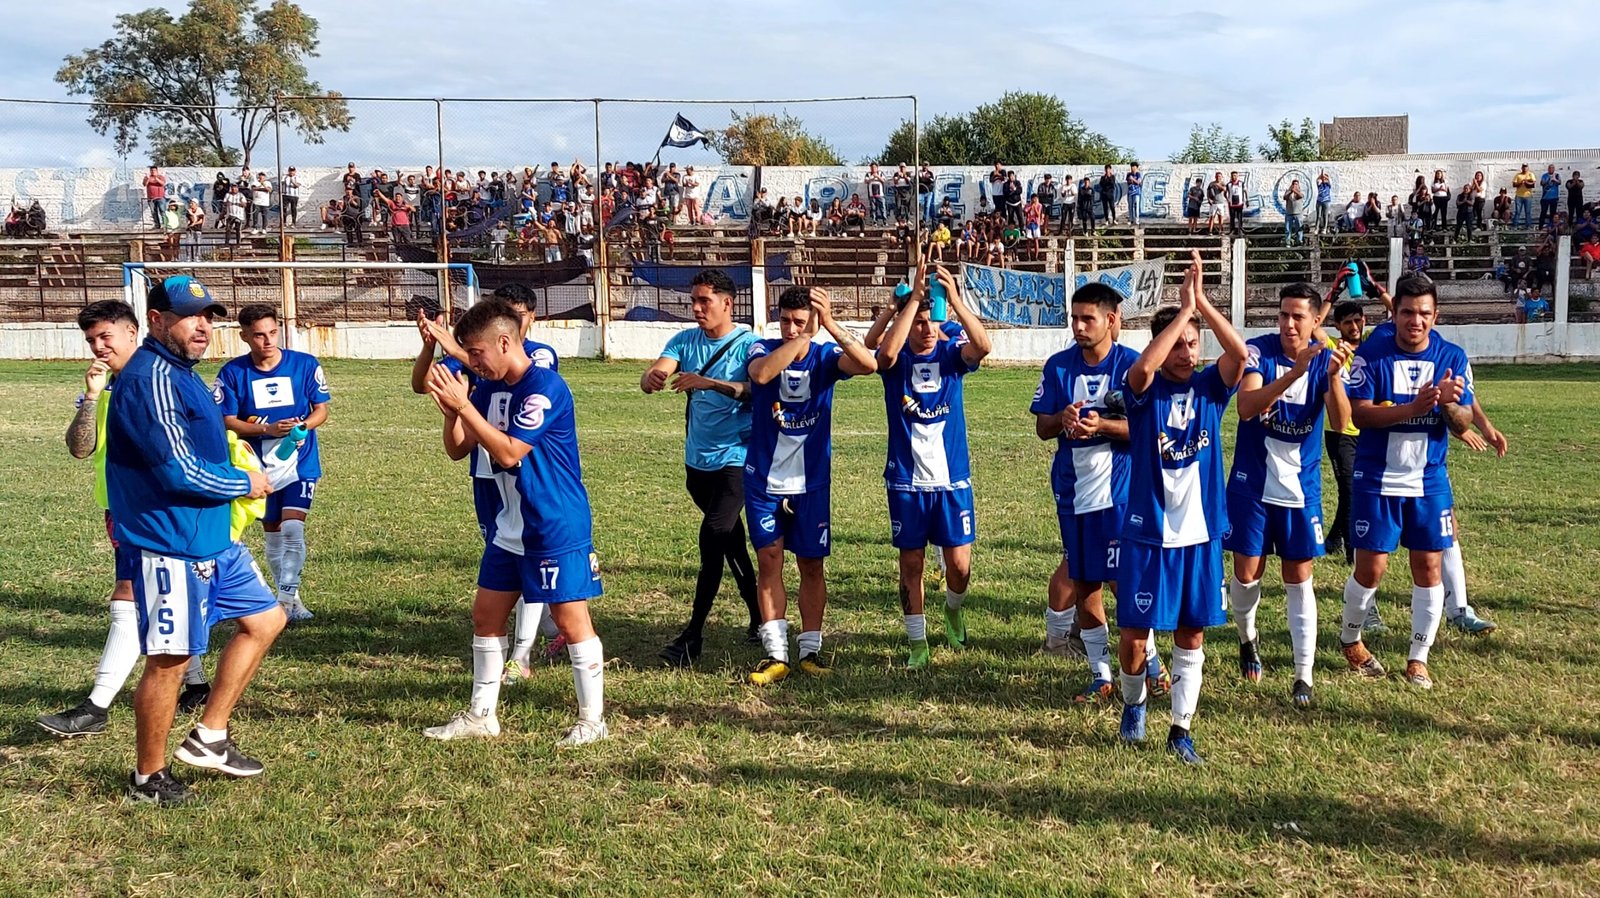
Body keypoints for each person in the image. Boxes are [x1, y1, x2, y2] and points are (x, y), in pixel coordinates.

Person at [107, 275, 281, 805]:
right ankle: (148, 777)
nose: (202, 326)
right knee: (172, 660)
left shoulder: (181, 373)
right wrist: (243, 482)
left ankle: (210, 735)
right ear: (156, 320)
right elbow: (177, 470)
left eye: (208, 316)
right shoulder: (151, 378)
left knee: (266, 620)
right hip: (170, 541)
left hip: (211, 535)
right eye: (189, 316)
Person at [419, 300, 607, 747]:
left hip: (553, 522)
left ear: (504, 342)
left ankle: (592, 721)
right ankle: (481, 715)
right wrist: (453, 413)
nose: (472, 362)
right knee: (486, 616)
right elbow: (458, 449)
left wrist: (464, 406)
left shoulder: (545, 387)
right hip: (510, 523)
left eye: (476, 352)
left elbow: (507, 452)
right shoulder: (488, 387)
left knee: (570, 621)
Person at [36, 301, 213, 739]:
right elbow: (80, 448)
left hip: (158, 512)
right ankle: (197, 683)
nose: (98, 347)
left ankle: (96, 707)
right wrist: (92, 396)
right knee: (166, 598)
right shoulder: (109, 387)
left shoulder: (155, 379)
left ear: (133, 332)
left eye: (106, 336)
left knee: (130, 597)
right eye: (91, 340)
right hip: (123, 512)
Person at [1115, 250, 1247, 765]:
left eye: (1193, 343)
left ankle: (1180, 729)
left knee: (1192, 632)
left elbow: (1239, 354)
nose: (1187, 352)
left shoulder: (1210, 389)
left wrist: (1202, 306)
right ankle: (1134, 705)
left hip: (1200, 533)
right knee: (1135, 636)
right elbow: (1143, 369)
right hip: (1149, 531)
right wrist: (1180, 316)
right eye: (1178, 343)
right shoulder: (1143, 392)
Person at [1338, 274, 1499, 689]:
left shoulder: (1452, 356)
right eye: (1408, 312)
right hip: (1377, 478)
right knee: (1371, 570)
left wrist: (1449, 403)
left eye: (1424, 313)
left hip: (1429, 480)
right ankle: (1350, 638)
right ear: (1395, 313)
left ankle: (1418, 659)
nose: (1416, 321)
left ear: (1435, 315)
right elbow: (1361, 415)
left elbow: (1462, 421)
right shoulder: (1372, 354)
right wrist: (1414, 406)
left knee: (1428, 567)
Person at [411, 285, 562, 679]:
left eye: (517, 313)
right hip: (487, 474)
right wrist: (431, 348)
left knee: (532, 565)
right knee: (504, 566)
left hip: (531, 484)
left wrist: (458, 351)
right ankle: (542, 627)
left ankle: (523, 655)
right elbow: (424, 385)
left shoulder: (539, 359)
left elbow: (502, 385)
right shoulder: (481, 364)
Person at [1031, 283, 1170, 701]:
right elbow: (1042, 428)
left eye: (1087, 318)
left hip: (1120, 495)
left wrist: (1103, 426)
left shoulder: (1133, 367)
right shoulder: (1058, 367)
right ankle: (1101, 676)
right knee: (1085, 584)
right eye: (1074, 318)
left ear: (1110, 320)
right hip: (1072, 493)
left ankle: (1151, 661)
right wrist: (1063, 418)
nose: (1078, 326)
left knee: (1123, 583)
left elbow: (1153, 430)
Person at [741, 287, 877, 685]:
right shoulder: (761, 348)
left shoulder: (825, 357)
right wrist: (802, 337)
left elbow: (868, 364)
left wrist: (829, 324)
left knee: (811, 565)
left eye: (799, 321)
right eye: (785, 320)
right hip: (764, 480)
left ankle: (810, 651)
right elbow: (762, 375)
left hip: (811, 482)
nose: (790, 327)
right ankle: (775, 654)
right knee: (769, 560)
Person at [1224, 283, 1351, 709]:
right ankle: (1248, 638)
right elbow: (1246, 407)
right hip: (1252, 486)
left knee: (1299, 578)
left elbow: (1342, 421)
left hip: (1301, 488)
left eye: (1298, 316)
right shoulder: (1258, 352)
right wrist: (1294, 372)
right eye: (1283, 315)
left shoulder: (1326, 361)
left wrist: (1332, 377)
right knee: (1247, 575)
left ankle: (1303, 674)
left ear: (1315, 321)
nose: (1289, 324)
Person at [641, 270, 762, 665]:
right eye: (693, 300)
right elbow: (657, 371)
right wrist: (652, 377)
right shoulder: (685, 340)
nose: (695, 308)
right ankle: (759, 616)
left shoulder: (749, 345)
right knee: (731, 541)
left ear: (727, 303)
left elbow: (757, 390)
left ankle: (692, 635)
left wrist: (710, 383)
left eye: (703, 301)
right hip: (697, 465)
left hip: (736, 460)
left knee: (713, 536)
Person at [875, 265, 992, 668]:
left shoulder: (951, 355)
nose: (926, 330)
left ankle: (953, 609)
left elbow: (983, 345)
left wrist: (954, 299)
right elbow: (884, 353)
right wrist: (909, 302)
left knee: (959, 566)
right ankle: (917, 642)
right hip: (906, 481)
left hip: (951, 479)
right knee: (911, 563)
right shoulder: (896, 362)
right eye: (918, 323)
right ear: (908, 323)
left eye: (931, 322)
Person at [214, 305, 331, 623]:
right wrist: (266, 429)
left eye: (272, 333)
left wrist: (302, 427)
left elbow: (321, 410)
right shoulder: (233, 373)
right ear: (244, 336)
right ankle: (292, 601)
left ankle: (285, 600)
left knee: (293, 529)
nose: (267, 341)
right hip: (258, 468)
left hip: (299, 464)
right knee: (274, 534)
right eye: (259, 335)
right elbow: (226, 420)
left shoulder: (304, 365)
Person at [1539, 164, 1562, 230]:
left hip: (1554, 198)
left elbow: (1559, 182)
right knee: (1543, 212)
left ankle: (1552, 227)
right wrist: (1548, 180)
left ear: (1554, 169)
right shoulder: (1544, 175)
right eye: (1550, 168)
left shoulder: (1557, 175)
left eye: (1552, 168)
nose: (1551, 169)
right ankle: (1540, 227)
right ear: (1548, 169)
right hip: (1545, 198)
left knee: (1553, 213)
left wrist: (1554, 179)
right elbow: (1542, 183)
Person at [1283, 179, 1305, 246]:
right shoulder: (1288, 191)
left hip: (1298, 213)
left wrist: (1295, 190)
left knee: (1299, 228)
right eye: (1293, 184)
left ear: (1298, 185)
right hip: (1289, 213)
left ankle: (1299, 241)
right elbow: (1285, 197)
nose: (1295, 185)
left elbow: (1300, 196)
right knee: (1288, 229)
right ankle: (1288, 242)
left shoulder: (1300, 191)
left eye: (1296, 184)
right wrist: (1290, 191)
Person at [1227, 172, 1246, 237]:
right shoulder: (1229, 184)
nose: (1234, 177)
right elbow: (1225, 192)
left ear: (1237, 176)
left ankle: (1240, 230)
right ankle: (1232, 230)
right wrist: (1227, 199)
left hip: (1239, 203)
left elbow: (1245, 191)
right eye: (1232, 176)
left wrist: (1246, 200)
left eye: (1235, 175)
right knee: (1232, 217)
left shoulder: (1241, 183)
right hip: (1232, 204)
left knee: (1239, 217)